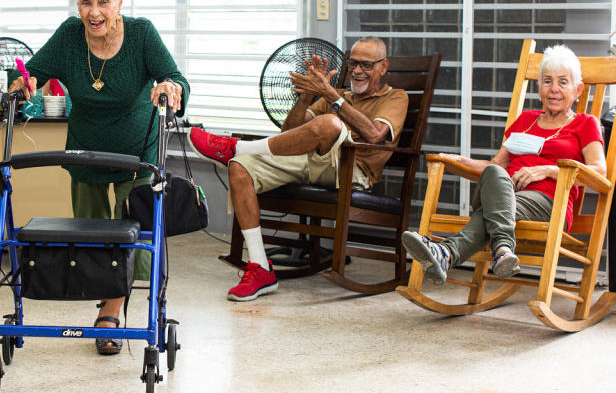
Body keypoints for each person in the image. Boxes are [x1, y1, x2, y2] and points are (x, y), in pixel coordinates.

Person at [9, 0, 190, 355]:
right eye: (86, 2)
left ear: (119, 4)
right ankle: (105, 296)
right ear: (78, 8)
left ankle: (111, 311)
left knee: (133, 233)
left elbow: (176, 79)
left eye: (103, 2)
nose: (94, 12)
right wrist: (23, 81)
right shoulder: (70, 36)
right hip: (86, 152)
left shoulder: (141, 34)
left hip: (136, 153)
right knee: (91, 236)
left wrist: (170, 88)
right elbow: (32, 71)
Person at [188, 36, 408, 301]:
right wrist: (305, 98)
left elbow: (375, 135)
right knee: (240, 167)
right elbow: (290, 133)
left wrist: (331, 95)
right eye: (353, 64)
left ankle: (238, 146)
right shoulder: (338, 96)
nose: (358, 71)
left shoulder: (396, 97)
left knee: (330, 124)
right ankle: (260, 268)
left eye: (367, 65)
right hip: (312, 160)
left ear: (384, 66)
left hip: (352, 171)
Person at [401, 44, 605, 284]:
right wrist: (455, 160)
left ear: (577, 89)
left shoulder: (584, 123)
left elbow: (599, 171)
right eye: (547, 81)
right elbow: (494, 166)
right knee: (496, 175)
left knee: (493, 208)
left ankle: (446, 252)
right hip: (505, 191)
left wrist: (548, 170)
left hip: (550, 202)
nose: (554, 89)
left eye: (563, 82)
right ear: (539, 88)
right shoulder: (526, 120)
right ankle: (503, 249)